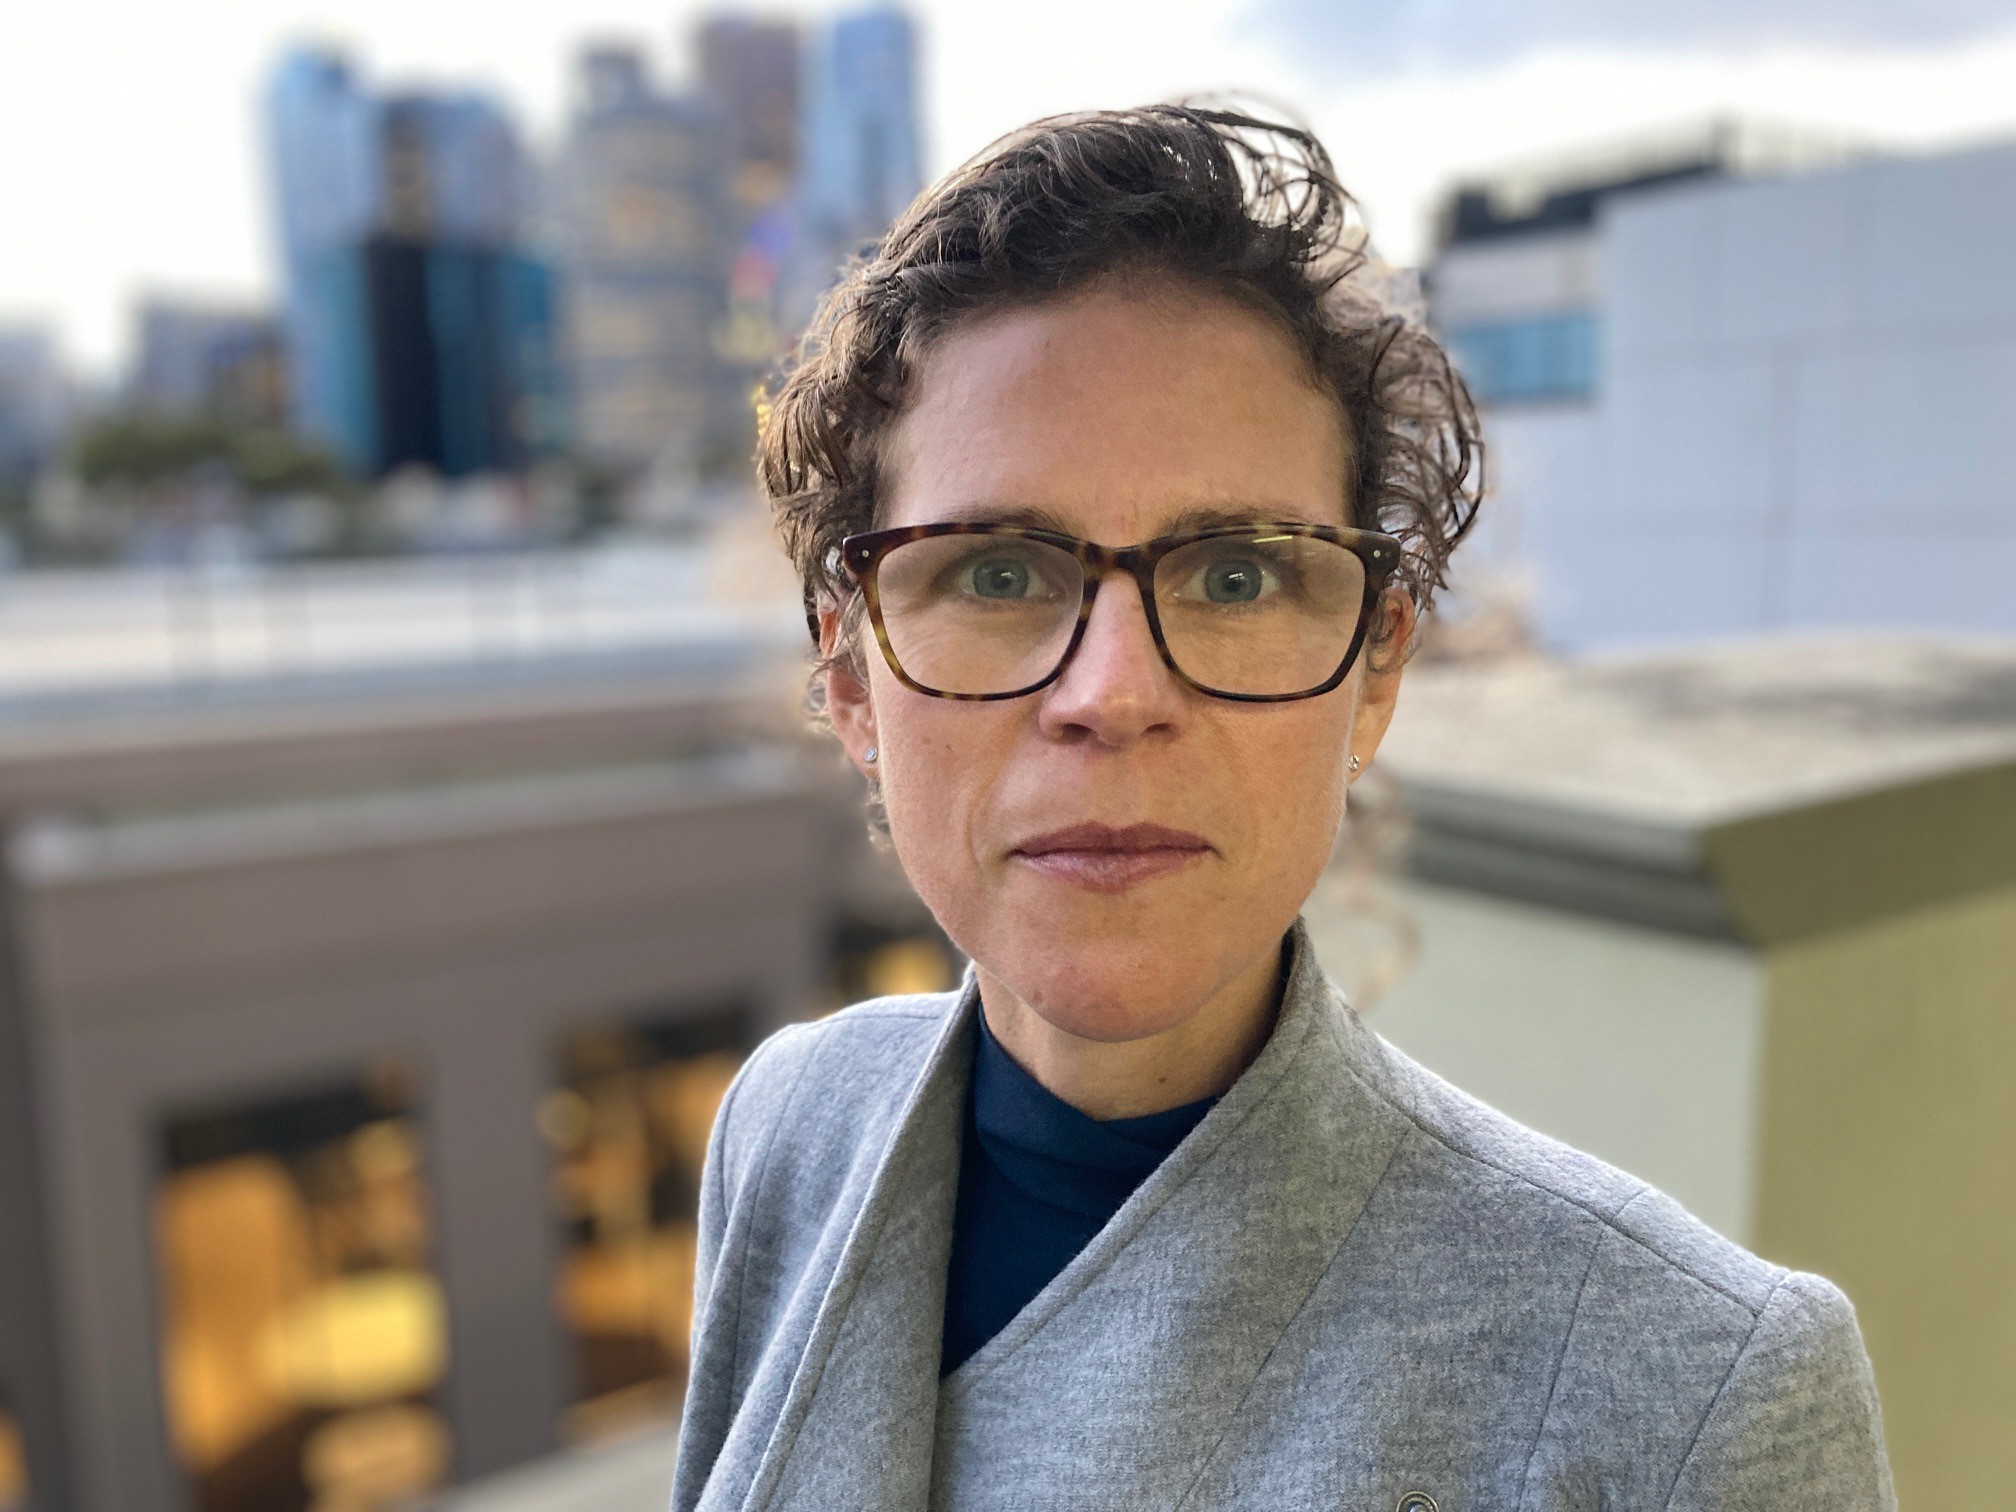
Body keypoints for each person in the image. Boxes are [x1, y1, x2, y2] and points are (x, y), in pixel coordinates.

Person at [670, 106, 1894, 1511]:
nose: (1113, 694)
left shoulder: (1695, 1393)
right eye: (999, 574)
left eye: (1238, 576)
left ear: (1375, 672)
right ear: (850, 673)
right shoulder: (792, 1128)